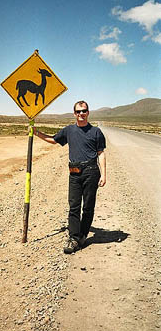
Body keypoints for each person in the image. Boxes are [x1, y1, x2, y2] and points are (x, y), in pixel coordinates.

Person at [33, 100, 106, 254]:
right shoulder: (69, 131)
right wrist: (36, 132)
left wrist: (104, 174)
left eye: (84, 111)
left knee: (88, 206)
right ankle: (73, 238)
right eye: (78, 111)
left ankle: (83, 235)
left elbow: (101, 153)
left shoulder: (96, 132)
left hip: (91, 171)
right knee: (74, 207)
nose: (81, 114)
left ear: (88, 112)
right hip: (74, 171)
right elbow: (53, 140)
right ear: (74, 114)